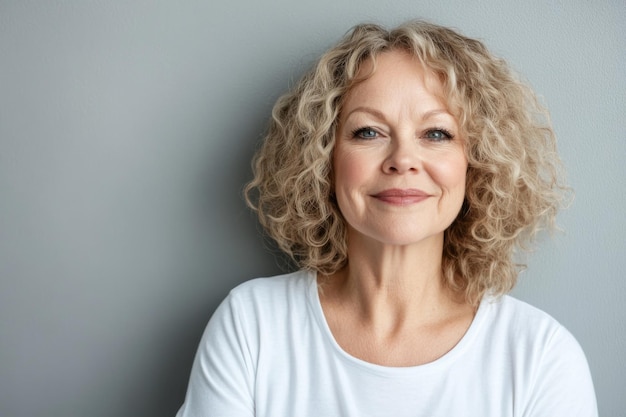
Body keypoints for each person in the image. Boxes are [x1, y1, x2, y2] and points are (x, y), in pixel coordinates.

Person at [176, 20, 597, 416]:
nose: (402, 160)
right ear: (324, 159)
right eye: (368, 132)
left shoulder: (540, 357)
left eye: (436, 134)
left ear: (477, 163)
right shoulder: (253, 327)